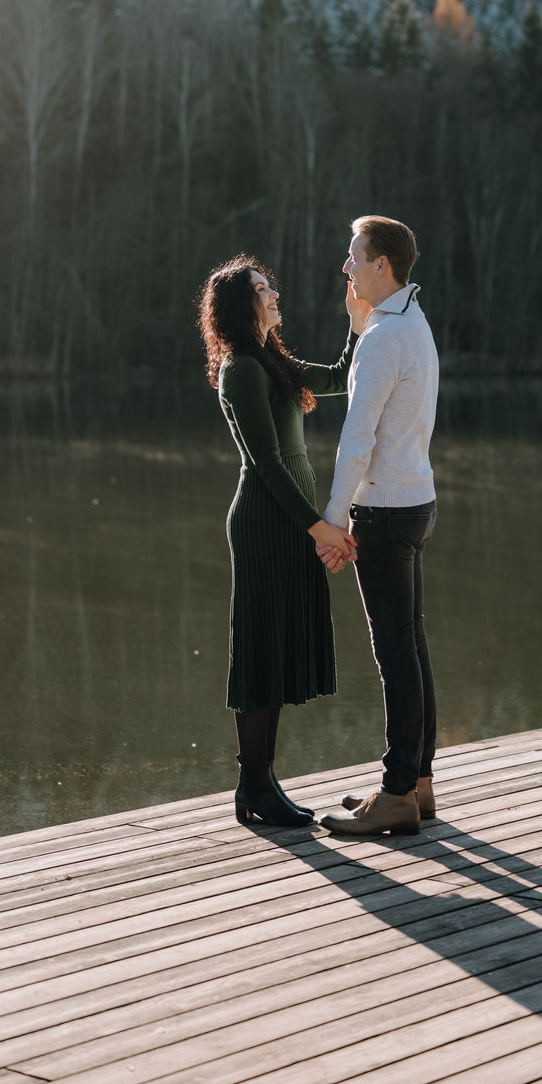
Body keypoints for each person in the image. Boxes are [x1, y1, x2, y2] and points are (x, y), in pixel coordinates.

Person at [197, 255, 364, 826]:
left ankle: (263, 783)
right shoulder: (242, 368)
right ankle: (253, 786)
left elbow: (341, 377)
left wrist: (356, 323)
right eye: (262, 289)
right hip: (265, 522)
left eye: (271, 287)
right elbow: (266, 463)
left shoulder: (274, 361)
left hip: (290, 520)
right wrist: (320, 527)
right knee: (260, 649)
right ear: (240, 306)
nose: (274, 295)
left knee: (274, 647)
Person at [316, 216, 440, 837]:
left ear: (381, 264)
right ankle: (417, 783)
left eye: (354, 257)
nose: (347, 267)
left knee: (395, 653)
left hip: (385, 512)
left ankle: (395, 794)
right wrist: (358, 326)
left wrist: (333, 519)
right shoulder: (410, 323)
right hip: (416, 502)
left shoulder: (384, 338)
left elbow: (357, 439)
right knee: (411, 645)